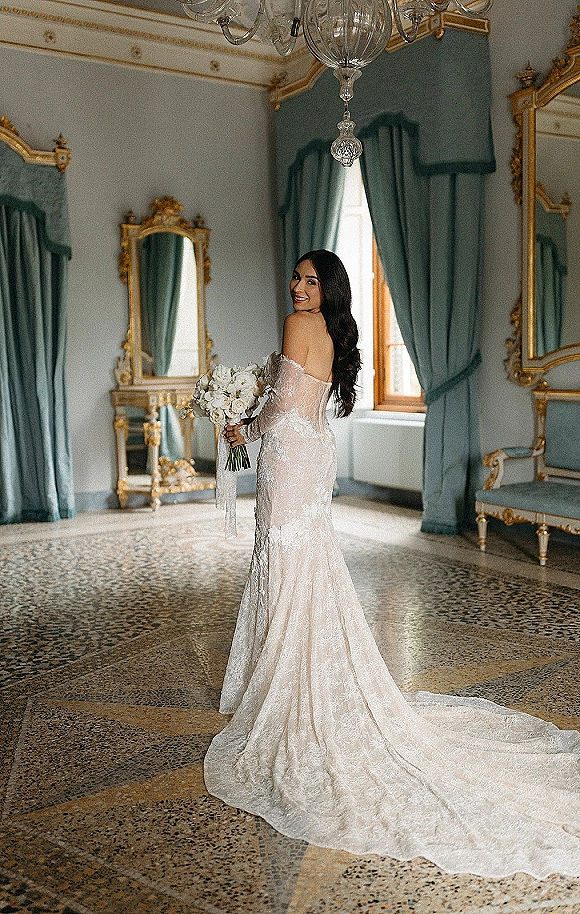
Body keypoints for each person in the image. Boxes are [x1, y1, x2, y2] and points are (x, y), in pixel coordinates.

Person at [204, 250, 580, 879]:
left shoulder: (299, 328)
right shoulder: (327, 332)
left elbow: (280, 409)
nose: (297, 289)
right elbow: (302, 404)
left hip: (291, 454)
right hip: (308, 453)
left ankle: (293, 686)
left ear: (328, 289)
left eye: (310, 281)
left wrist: (238, 421)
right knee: (302, 559)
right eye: (296, 279)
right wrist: (250, 417)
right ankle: (299, 671)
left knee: (287, 557)